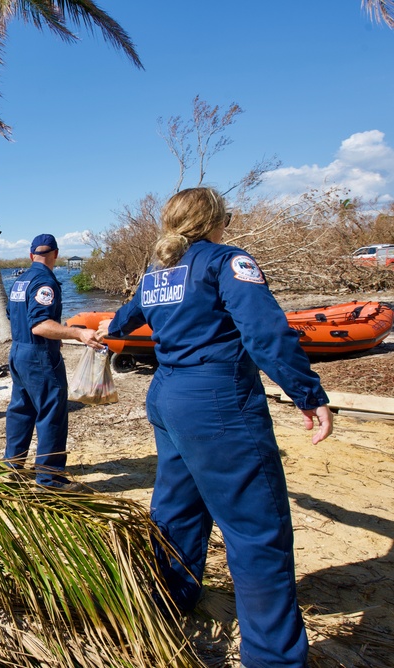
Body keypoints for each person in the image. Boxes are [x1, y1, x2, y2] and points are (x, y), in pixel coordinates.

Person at [100, 188, 332, 668]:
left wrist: (103, 330)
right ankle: (273, 658)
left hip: (167, 397)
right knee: (257, 529)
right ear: (216, 221)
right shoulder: (226, 261)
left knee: (178, 509)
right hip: (217, 401)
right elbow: (265, 332)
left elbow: (122, 323)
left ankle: (169, 602)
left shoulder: (158, 273)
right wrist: (307, 393)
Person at [4, 235, 105, 490]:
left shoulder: (21, 280)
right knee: (52, 414)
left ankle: (12, 466)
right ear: (56, 254)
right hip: (38, 356)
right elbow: (39, 325)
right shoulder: (44, 281)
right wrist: (78, 333)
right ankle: (49, 478)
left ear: (30, 256)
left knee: (21, 409)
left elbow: (13, 314)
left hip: (18, 352)